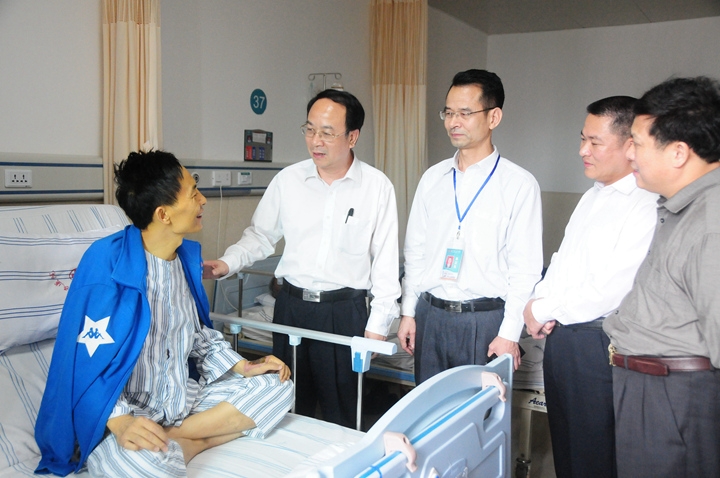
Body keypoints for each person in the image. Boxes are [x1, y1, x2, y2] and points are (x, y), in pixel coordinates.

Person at [35, 150, 294, 476]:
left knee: (278, 385)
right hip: (130, 412)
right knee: (143, 466)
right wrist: (120, 421)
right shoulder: (108, 265)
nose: (203, 200)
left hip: (183, 403)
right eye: (193, 193)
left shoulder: (184, 261)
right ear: (163, 214)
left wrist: (244, 366)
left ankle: (180, 439)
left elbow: (197, 336)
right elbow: (82, 362)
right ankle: (195, 439)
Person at [203, 89, 400, 428]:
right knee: (288, 405)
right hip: (291, 308)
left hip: (344, 312)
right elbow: (260, 236)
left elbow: (385, 261)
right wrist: (227, 263)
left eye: (327, 132)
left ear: (352, 137)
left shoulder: (376, 187)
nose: (315, 141)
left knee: (342, 412)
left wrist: (377, 328)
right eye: (310, 130)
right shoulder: (288, 180)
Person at [523, 96, 658, 478]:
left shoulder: (646, 203)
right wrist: (538, 301)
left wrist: (543, 310)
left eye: (595, 142)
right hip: (563, 341)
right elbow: (562, 261)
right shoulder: (592, 196)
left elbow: (613, 287)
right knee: (566, 450)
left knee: (594, 456)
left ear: (630, 145)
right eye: (582, 139)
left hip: (599, 346)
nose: (583, 150)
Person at [603, 76, 720, 478]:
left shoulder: (711, 221)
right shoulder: (681, 208)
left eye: (636, 143)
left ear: (678, 152)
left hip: (675, 401)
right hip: (655, 392)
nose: (628, 153)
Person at [397, 69, 543, 384]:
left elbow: (526, 269)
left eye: (465, 113)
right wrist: (409, 311)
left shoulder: (519, 185)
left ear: (494, 117)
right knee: (428, 409)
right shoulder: (433, 178)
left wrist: (509, 333)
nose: (454, 122)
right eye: (448, 113)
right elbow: (415, 251)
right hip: (431, 315)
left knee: (481, 411)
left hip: (486, 320)